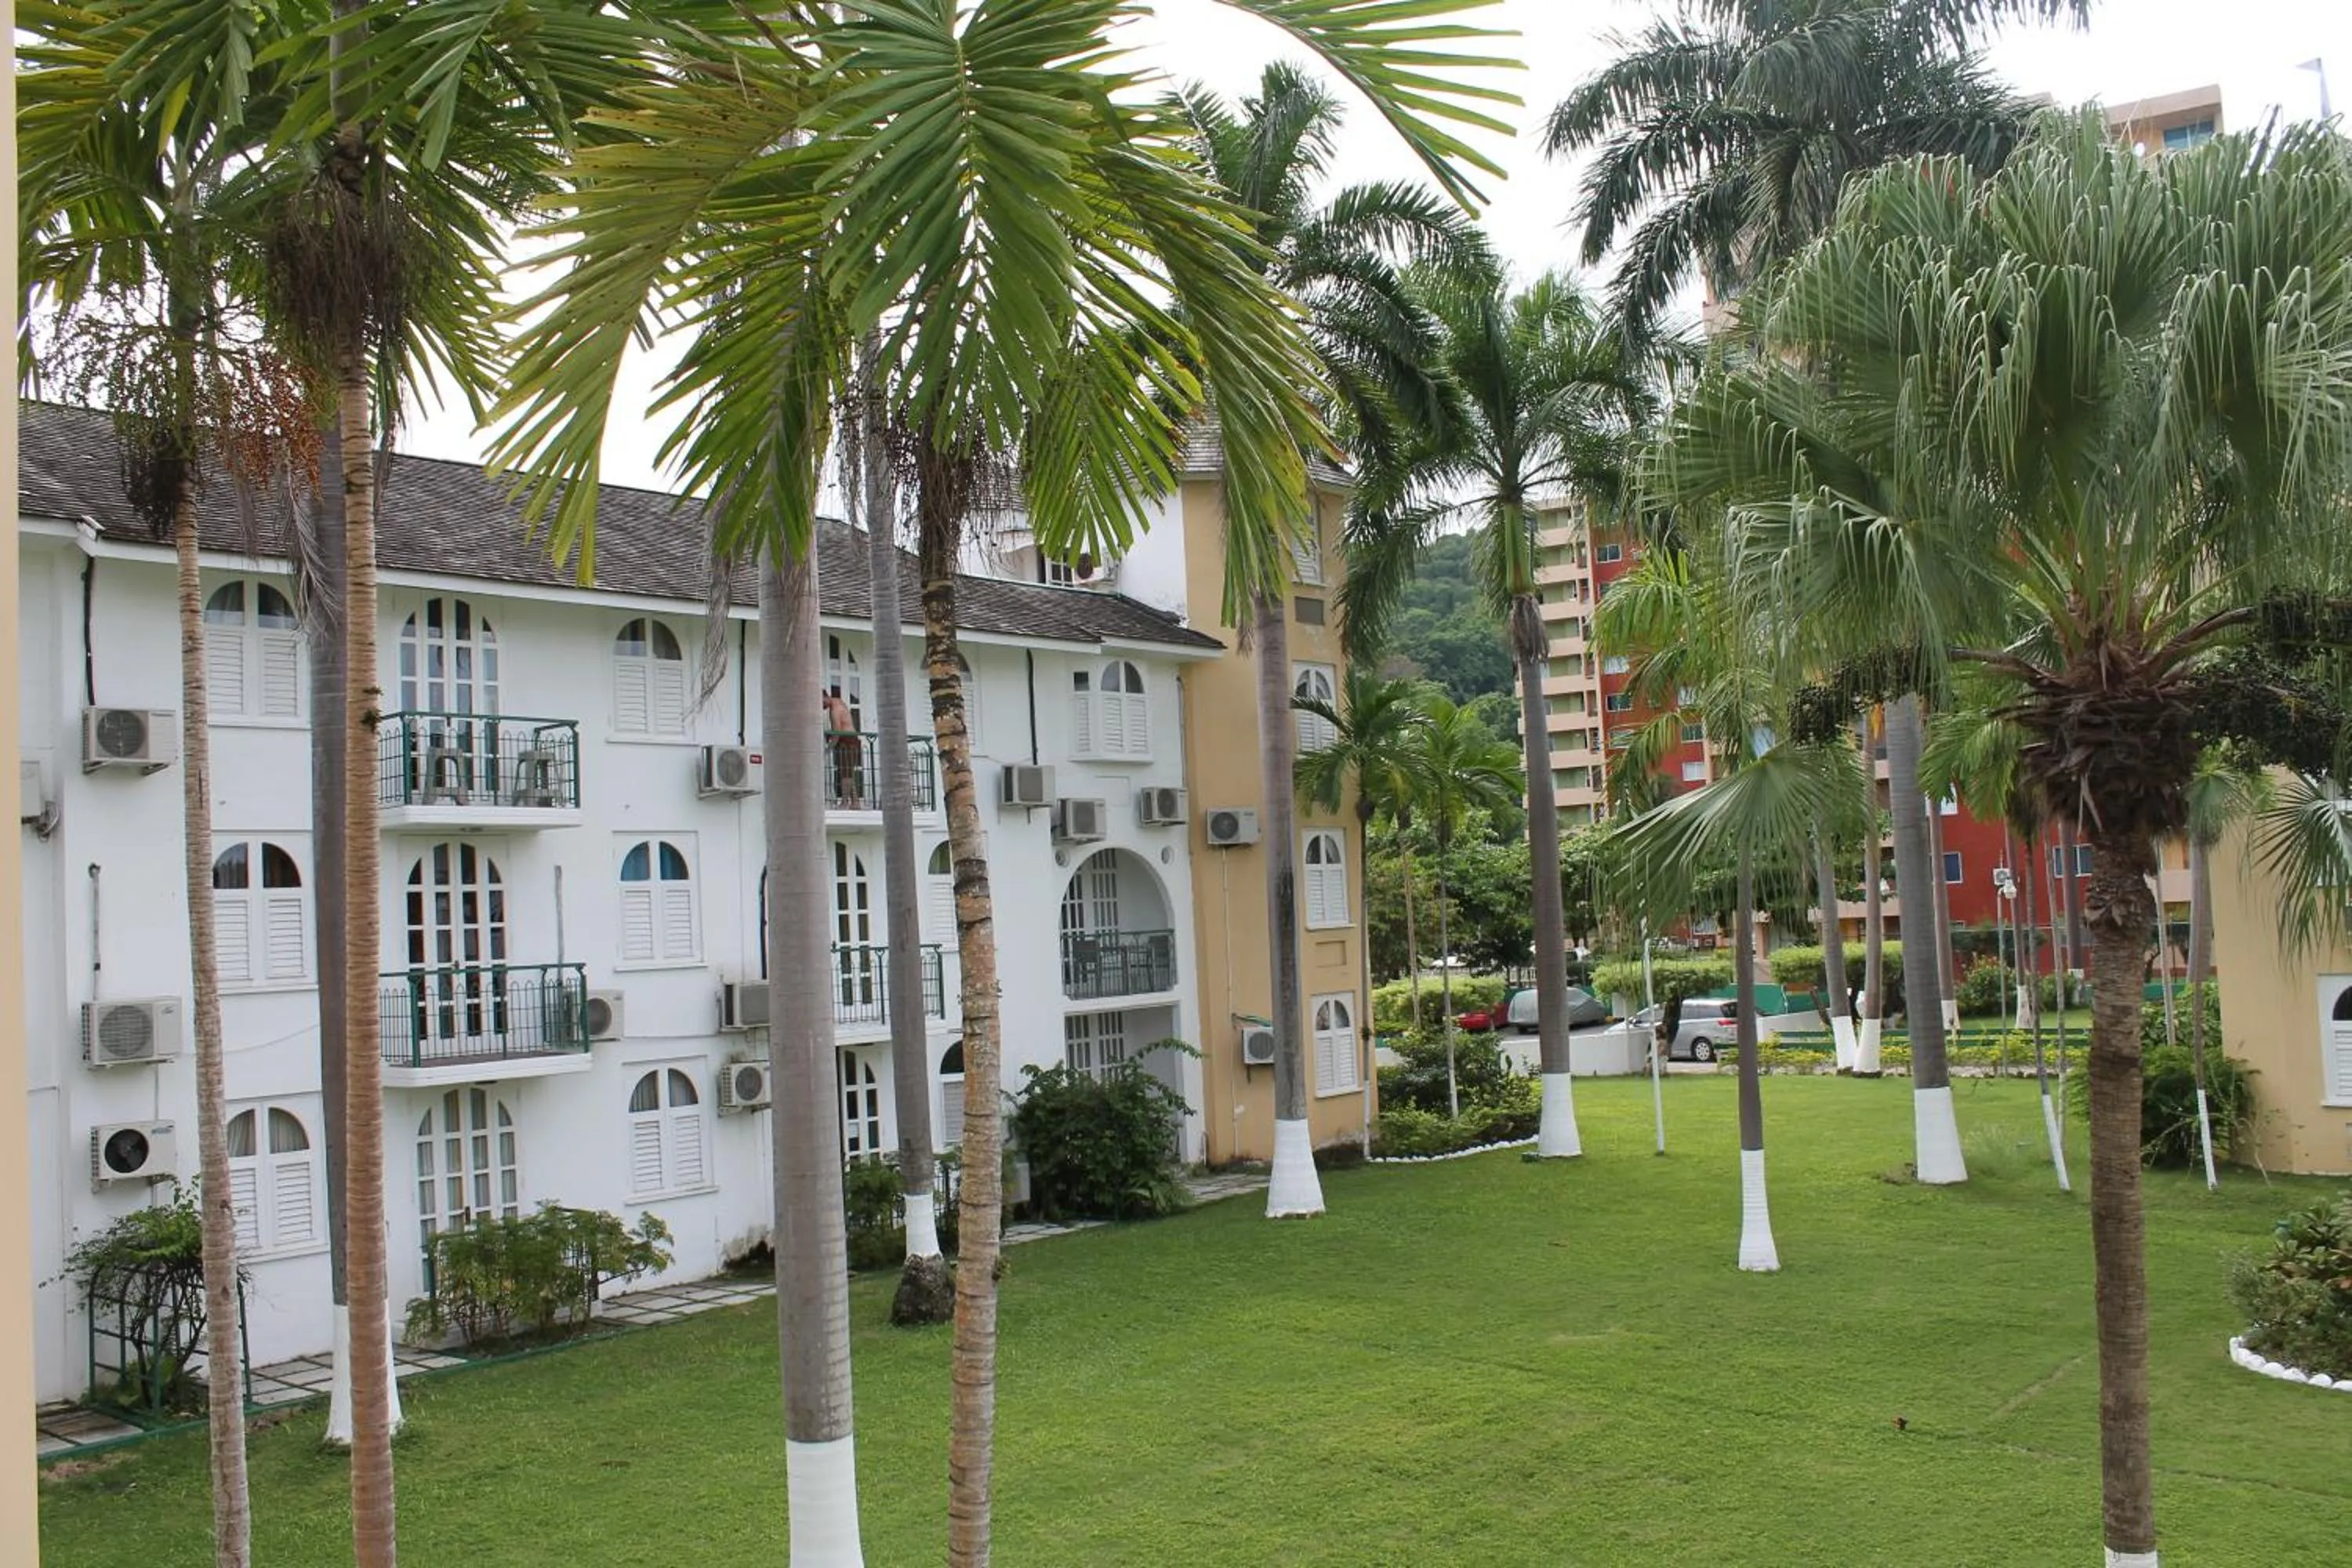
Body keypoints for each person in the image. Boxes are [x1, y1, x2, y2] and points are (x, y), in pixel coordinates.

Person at [822, 685, 862, 808]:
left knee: (846, 773)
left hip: (847, 742)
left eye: (820, 702)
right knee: (848, 771)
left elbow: (837, 732)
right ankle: (855, 801)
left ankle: (844, 802)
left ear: (824, 697)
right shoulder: (838, 702)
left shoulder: (835, 709)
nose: (821, 706)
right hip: (850, 740)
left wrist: (828, 748)